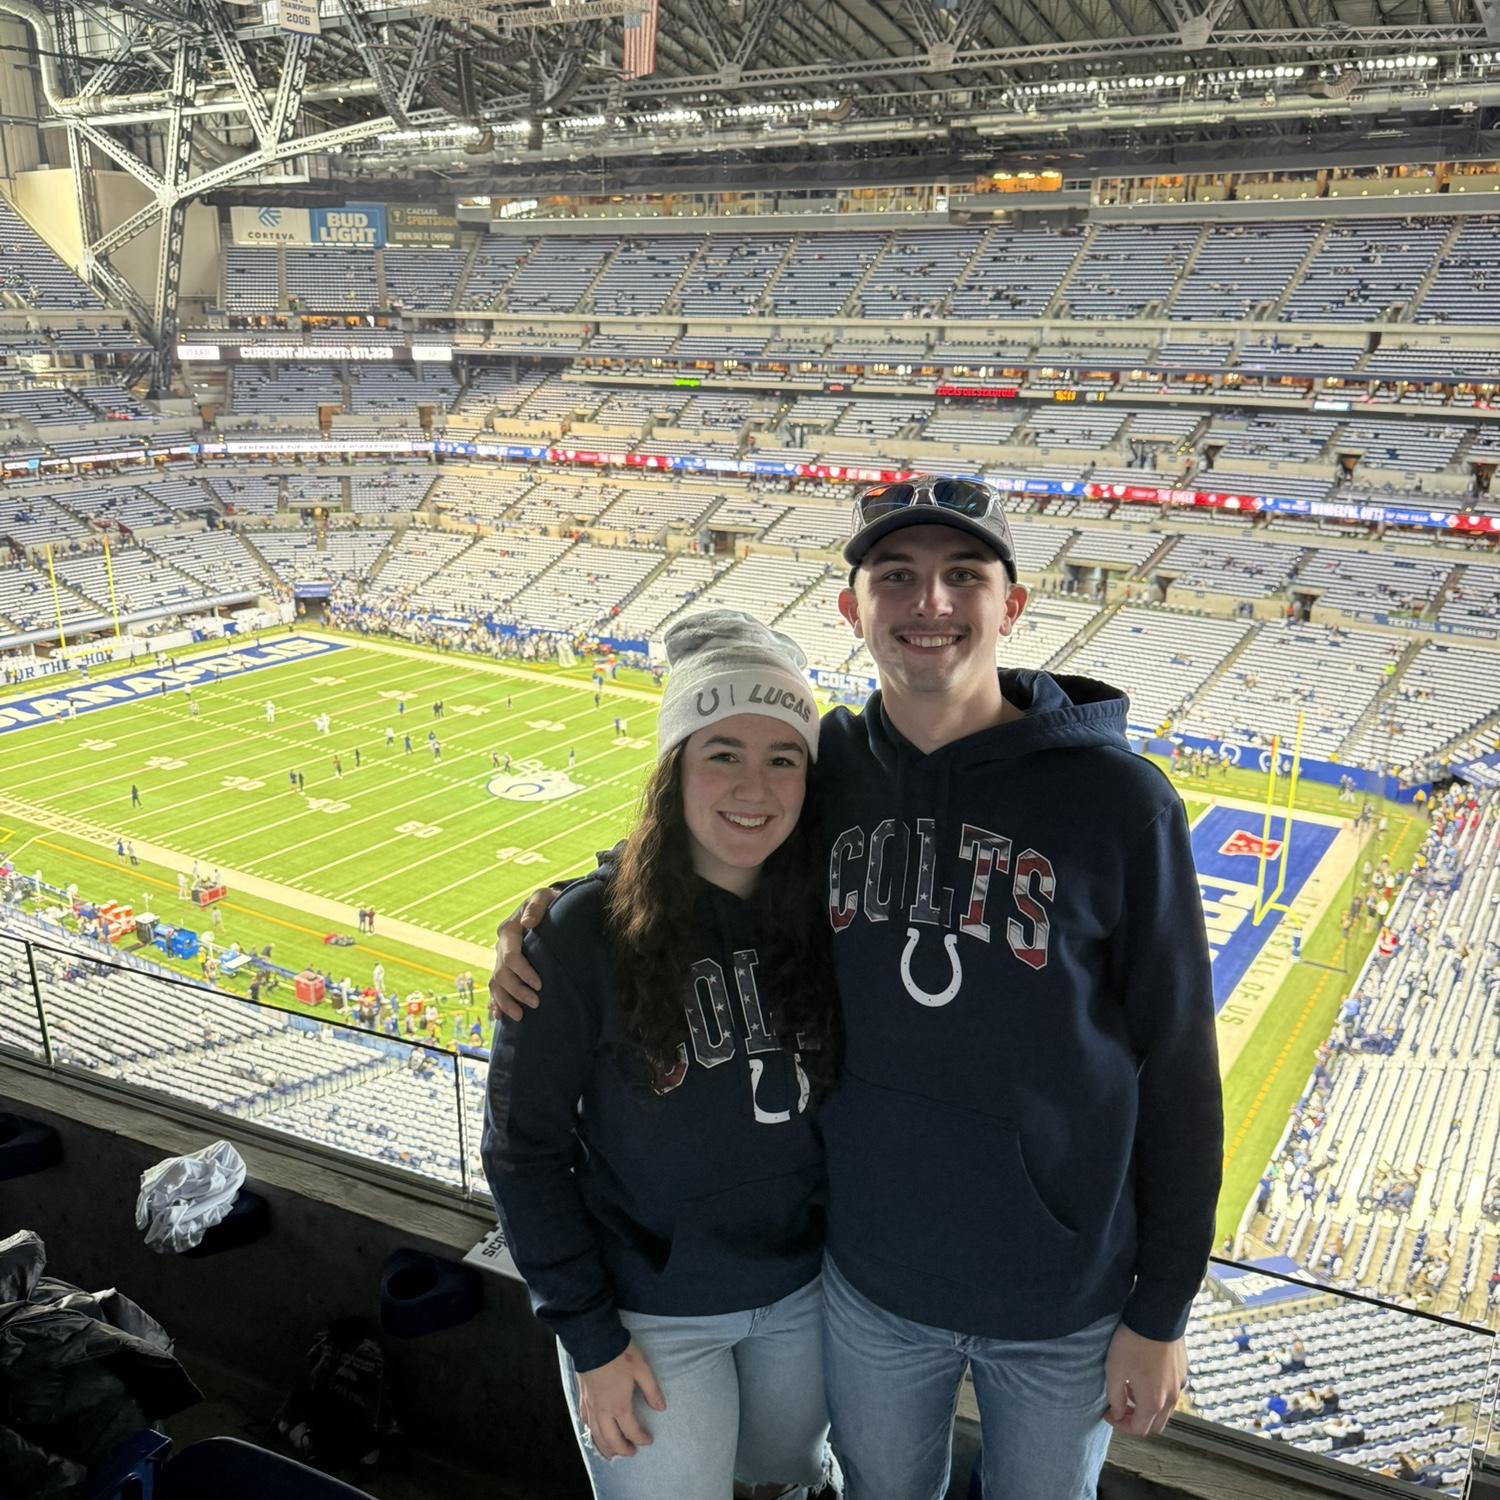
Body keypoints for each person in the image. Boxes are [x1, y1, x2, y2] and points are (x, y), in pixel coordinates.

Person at [491, 477, 1223, 1499]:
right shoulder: (832, 765)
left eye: (963, 575)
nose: (931, 603)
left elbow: (1183, 1063)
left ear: (1012, 605)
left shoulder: (1120, 803)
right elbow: (723, 815)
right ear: (854, 610)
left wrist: (1164, 1308)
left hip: (1065, 1295)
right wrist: (572, 902)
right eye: (897, 577)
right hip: (869, 1286)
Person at [483, 611, 837, 1500]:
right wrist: (591, 1340)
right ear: (674, 765)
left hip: (807, 1294)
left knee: (787, 1484)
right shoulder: (577, 938)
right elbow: (523, 1152)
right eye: (722, 752)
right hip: (651, 1313)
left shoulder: (842, 917)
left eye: (782, 757)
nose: (752, 786)